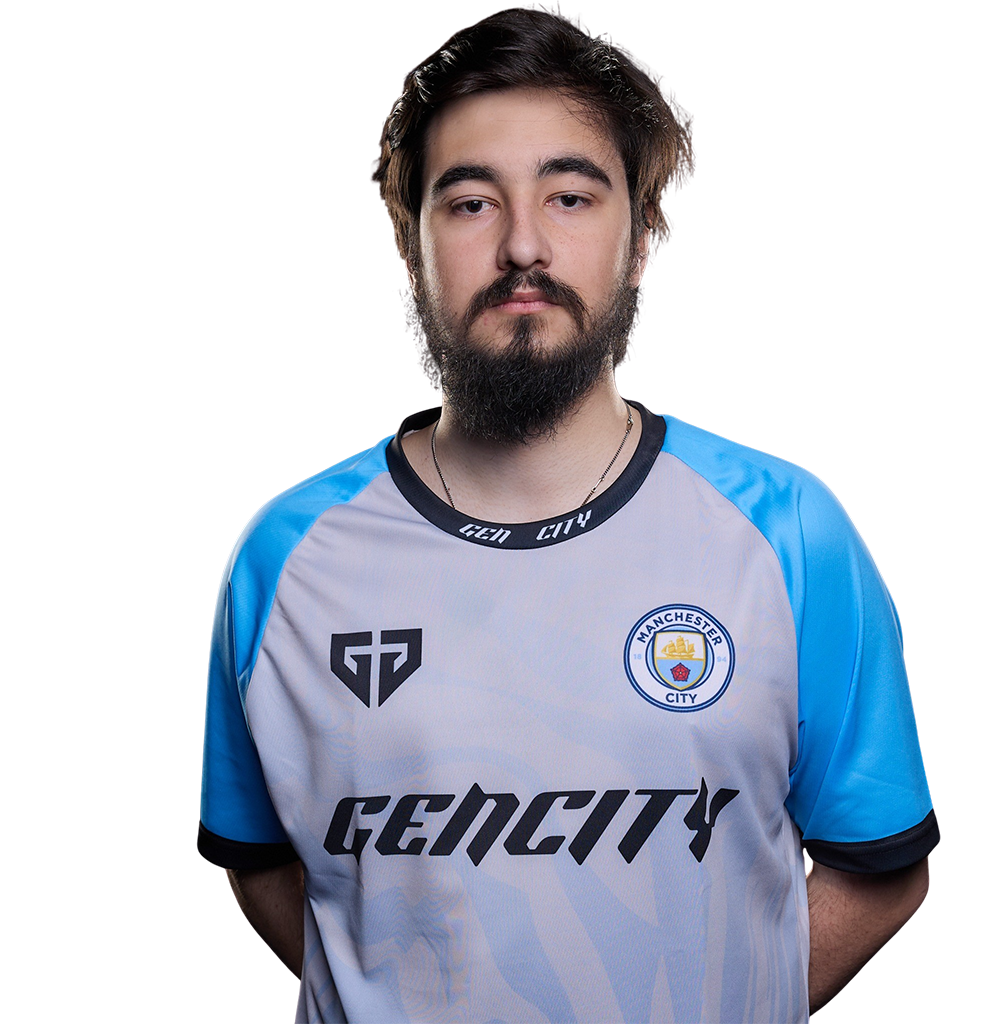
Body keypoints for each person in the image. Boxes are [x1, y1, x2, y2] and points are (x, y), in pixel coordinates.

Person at [197, 9, 939, 1023]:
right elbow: (268, 865)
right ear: (412, 250)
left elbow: (879, 865)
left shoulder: (787, 533)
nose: (522, 245)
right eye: (470, 202)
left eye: (571, 195)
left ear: (639, 242)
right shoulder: (284, 559)